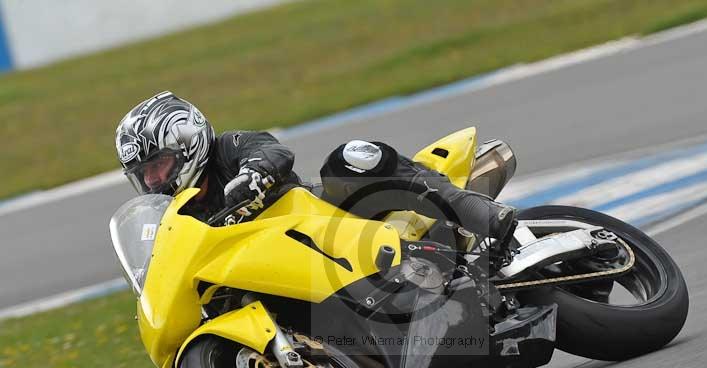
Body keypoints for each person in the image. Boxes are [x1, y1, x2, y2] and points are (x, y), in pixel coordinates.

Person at [115, 91, 517, 246]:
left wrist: (253, 175)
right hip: (277, 265)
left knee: (350, 158)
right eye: (144, 175)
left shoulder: (226, 149)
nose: (153, 180)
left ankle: (475, 212)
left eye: (159, 165)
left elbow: (270, 150)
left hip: (333, 223)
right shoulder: (176, 217)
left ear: (188, 144)